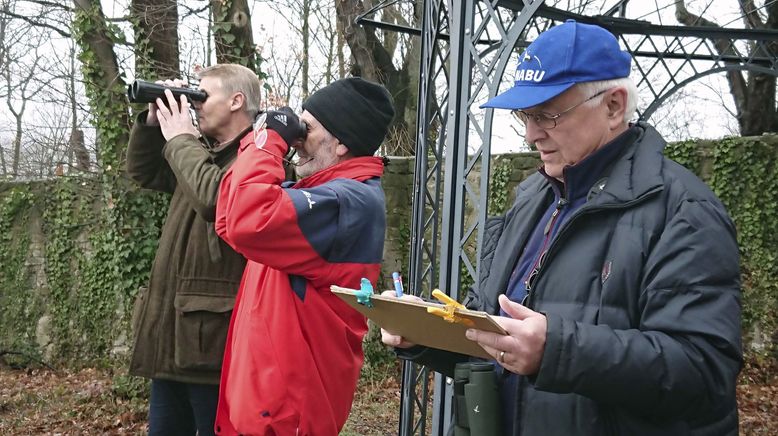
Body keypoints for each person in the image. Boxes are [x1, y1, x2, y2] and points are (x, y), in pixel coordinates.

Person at [382, 20, 742, 435]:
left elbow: (703, 370)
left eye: (548, 114)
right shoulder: (532, 197)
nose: (532, 134)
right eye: (525, 115)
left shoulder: (683, 211)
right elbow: (492, 334)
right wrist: (424, 335)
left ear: (613, 106)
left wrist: (556, 351)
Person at [212, 77, 395, 435]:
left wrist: (269, 142)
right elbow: (228, 217)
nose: (297, 139)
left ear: (341, 142)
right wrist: (258, 140)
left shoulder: (347, 203)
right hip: (267, 407)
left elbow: (247, 219)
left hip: (287, 415)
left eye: (306, 128)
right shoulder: (327, 193)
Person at [127, 63, 262, 436]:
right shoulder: (205, 154)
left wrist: (180, 138)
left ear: (236, 101)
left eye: (202, 96)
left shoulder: (258, 158)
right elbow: (143, 172)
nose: (195, 106)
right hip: (172, 339)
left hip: (214, 347)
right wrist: (154, 126)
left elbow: (217, 201)